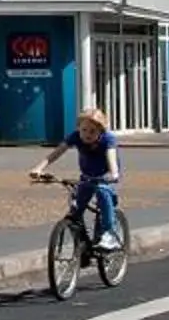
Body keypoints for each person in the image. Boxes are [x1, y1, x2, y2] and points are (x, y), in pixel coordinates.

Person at [32, 107, 123, 250]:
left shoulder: (108, 139)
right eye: (84, 130)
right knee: (76, 209)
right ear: (79, 128)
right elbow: (55, 153)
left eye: (92, 131)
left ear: (101, 131)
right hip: (86, 177)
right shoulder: (75, 137)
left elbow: (111, 157)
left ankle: (109, 234)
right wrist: (39, 168)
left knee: (102, 192)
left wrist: (114, 174)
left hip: (105, 177)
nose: (87, 134)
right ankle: (81, 247)